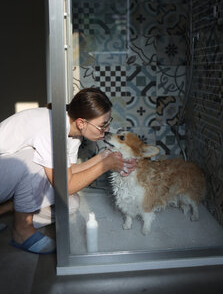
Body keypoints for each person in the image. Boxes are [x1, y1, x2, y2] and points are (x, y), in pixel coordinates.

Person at [0, 88, 136, 254]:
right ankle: (22, 230)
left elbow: (67, 173)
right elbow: (65, 186)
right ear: (81, 123)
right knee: (37, 160)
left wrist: (102, 157)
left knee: (72, 203)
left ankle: (11, 212)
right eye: (102, 125)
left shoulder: (73, 133)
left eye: (108, 123)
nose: (106, 130)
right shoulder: (50, 129)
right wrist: (105, 165)